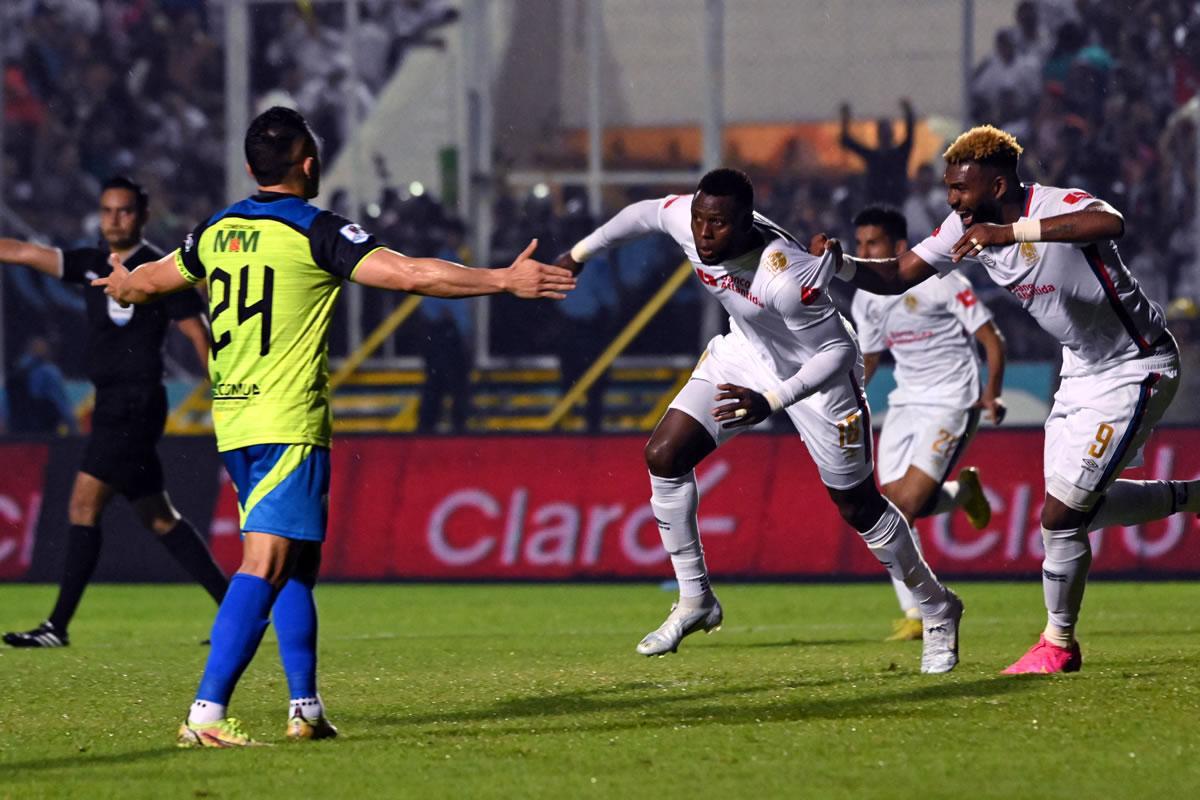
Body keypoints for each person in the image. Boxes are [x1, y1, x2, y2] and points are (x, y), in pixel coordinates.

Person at [94, 107, 574, 747]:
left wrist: (123, 287)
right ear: (310, 165)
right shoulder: (315, 230)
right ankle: (206, 715)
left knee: (296, 564)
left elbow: (150, 280)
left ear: (249, 168)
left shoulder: (215, 229)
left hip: (234, 418)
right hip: (286, 418)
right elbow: (408, 274)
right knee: (264, 562)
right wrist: (502, 280)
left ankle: (306, 708)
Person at [558, 168, 964, 674]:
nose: (705, 234)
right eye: (701, 221)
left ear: (746, 222)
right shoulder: (691, 222)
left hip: (818, 383)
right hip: (746, 355)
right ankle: (695, 600)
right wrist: (577, 255)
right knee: (664, 455)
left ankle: (936, 606)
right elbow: (640, 216)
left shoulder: (787, 276)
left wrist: (771, 400)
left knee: (859, 508)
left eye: (719, 225)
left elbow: (837, 352)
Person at [831, 125, 1200, 674]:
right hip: (1079, 372)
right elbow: (900, 274)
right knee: (1078, 511)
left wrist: (1015, 234)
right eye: (949, 188)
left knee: (1060, 516)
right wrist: (836, 266)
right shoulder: (961, 227)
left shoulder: (1052, 205)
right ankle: (1191, 496)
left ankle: (1059, 644)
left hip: (1136, 365)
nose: (951, 200)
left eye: (961, 188)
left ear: (998, 185)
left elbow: (1110, 222)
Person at [0, 176, 226, 649]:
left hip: (136, 402)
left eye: (123, 211)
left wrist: (224, 394)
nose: (114, 220)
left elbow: (197, 334)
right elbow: (22, 251)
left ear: (142, 215)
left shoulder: (164, 269)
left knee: (83, 504)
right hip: (111, 404)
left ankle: (56, 626)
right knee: (159, 517)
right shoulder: (86, 262)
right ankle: (234, 610)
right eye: (107, 211)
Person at [849, 206, 1007, 641]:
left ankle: (922, 613)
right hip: (905, 403)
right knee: (885, 510)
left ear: (899, 247)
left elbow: (992, 339)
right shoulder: (865, 298)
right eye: (859, 244)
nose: (863, 251)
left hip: (951, 400)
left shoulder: (942, 280)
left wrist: (991, 391)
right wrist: (838, 397)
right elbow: (873, 356)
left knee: (902, 508)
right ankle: (960, 495)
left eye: (873, 243)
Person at [417, 219, 473, 432]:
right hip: (444, 333)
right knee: (453, 383)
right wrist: (466, 335)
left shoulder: (441, 261)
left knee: (436, 383)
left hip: (437, 333)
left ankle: (427, 427)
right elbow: (454, 308)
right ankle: (455, 428)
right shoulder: (449, 263)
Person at [839, 99, 915, 207]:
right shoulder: (873, 156)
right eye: (883, 132)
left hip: (896, 205)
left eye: (887, 132)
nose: (885, 135)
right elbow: (846, 141)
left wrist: (909, 113)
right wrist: (845, 119)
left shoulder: (899, 154)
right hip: (877, 205)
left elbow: (910, 136)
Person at [6, 335, 79, 434]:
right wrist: (73, 429)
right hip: (44, 432)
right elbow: (61, 402)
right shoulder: (49, 372)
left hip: (18, 434)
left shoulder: (16, 371)